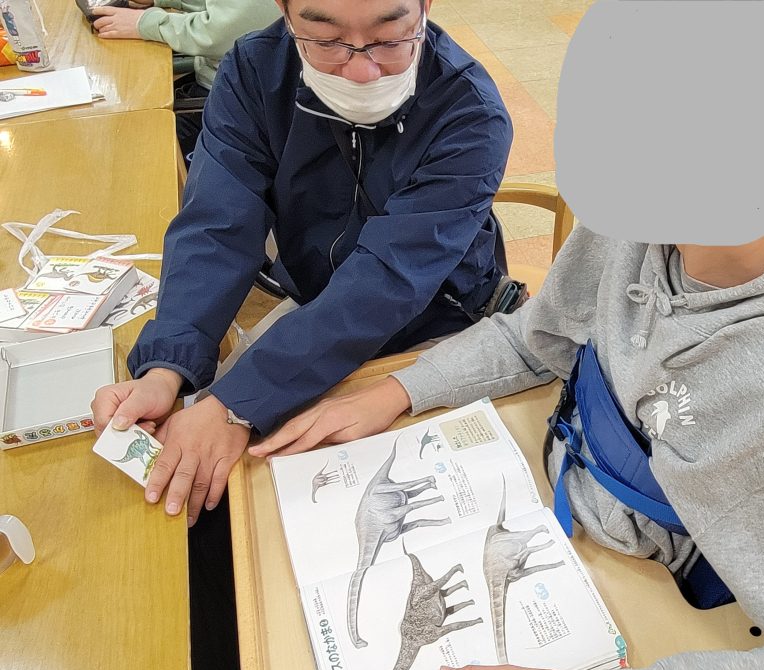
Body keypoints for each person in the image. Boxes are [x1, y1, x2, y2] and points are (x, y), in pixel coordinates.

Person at [249, 1, 764, 670]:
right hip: (543, 484)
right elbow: (540, 338)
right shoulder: (643, 215)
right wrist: (397, 390)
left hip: (629, 583)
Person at [91, 0, 513, 529]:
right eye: (326, 41)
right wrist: (167, 365)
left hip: (433, 323)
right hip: (314, 305)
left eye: (390, 39)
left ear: (425, 8)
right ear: (285, 13)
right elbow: (217, 225)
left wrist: (235, 404)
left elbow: (388, 280)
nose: (362, 71)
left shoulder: (469, 112)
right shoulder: (255, 69)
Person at [90, 0, 283, 157]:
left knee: (128, 146)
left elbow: (220, 34)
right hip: (222, 80)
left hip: (240, 100)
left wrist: (147, 23)